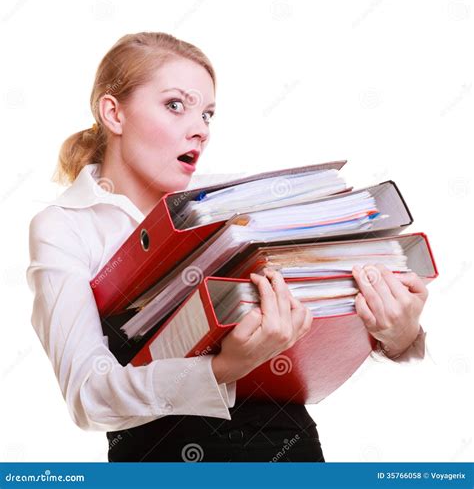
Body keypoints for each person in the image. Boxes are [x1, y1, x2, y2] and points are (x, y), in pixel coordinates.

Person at [26, 32, 428, 462]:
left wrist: (399, 334)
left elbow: (322, 317)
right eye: (176, 105)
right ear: (114, 113)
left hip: (292, 454)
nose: (199, 130)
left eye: (208, 114)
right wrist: (220, 370)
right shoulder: (64, 226)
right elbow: (88, 397)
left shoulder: (233, 207)